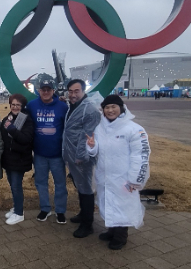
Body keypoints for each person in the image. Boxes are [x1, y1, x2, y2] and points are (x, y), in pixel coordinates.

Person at [86, 95, 150, 250]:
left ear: (121, 107)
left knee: (122, 206)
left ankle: (121, 237)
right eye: (107, 107)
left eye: (113, 106)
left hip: (124, 178)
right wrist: (92, 146)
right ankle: (112, 230)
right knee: (108, 203)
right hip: (105, 176)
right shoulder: (100, 127)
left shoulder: (134, 129)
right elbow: (95, 152)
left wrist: (135, 180)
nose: (110, 110)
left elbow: (140, 155)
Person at [62, 79, 101, 238]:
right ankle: (82, 214)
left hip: (81, 157)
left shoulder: (89, 110)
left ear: (83, 91)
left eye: (76, 91)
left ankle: (87, 224)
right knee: (80, 186)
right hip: (71, 154)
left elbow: (88, 135)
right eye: (70, 91)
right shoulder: (73, 106)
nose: (73, 94)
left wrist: (81, 156)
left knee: (86, 189)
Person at [27, 79, 69, 224]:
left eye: (48, 90)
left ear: (53, 91)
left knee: (60, 184)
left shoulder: (62, 106)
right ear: (39, 91)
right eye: (43, 89)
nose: (45, 92)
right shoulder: (31, 105)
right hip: (39, 153)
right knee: (40, 183)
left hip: (58, 154)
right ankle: (45, 208)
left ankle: (60, 210)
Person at [1, 94, 34, 225]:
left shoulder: (26, 120)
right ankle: (16, 207)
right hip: (8, 159)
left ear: (22, 106)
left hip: (19, 159)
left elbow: (25, 139)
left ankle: (19, 213)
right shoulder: (7, 118)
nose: (15, 107)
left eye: (18, 105)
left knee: (16, 186)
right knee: (12, 185)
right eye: (13, 104)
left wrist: (12, 129)